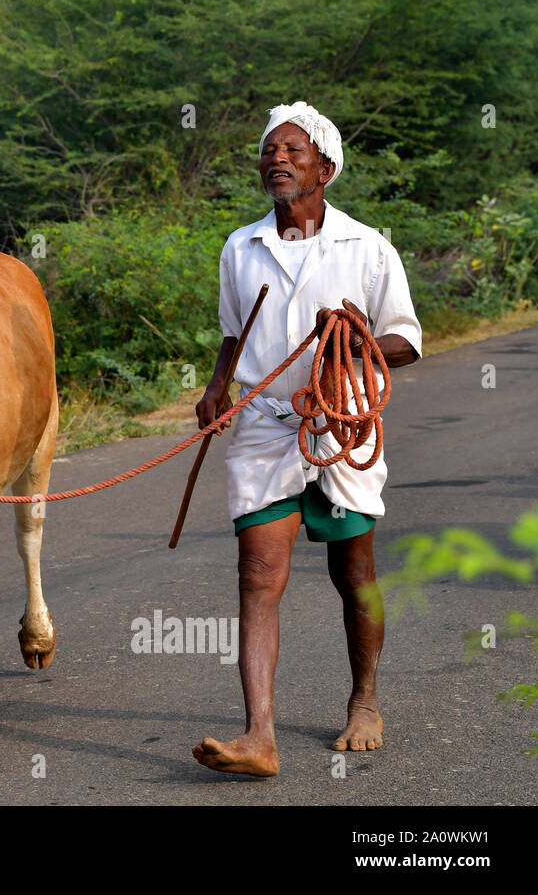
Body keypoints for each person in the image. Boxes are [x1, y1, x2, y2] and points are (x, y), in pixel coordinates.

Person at [191, 102, 422, 776]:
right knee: (258, 576)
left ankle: (366, 701)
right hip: (266, 431)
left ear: (325, 167)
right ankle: (258, 736)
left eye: (293, 151)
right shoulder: (241, 247)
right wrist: (217, 385)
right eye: (269, 152)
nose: (277, 160)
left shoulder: (367, 247)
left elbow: (405, 340)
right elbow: (235, 334)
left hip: (340, 429)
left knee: (354, 577)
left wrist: (352, 341)